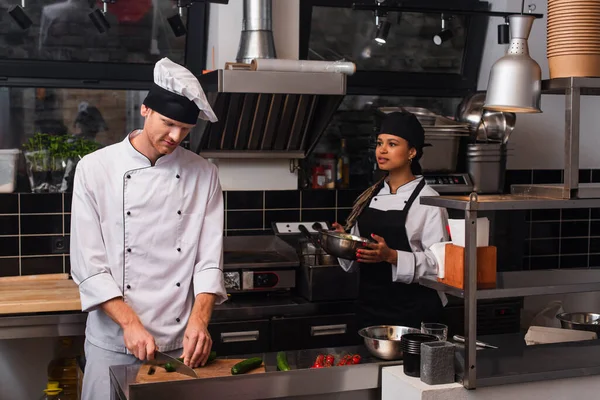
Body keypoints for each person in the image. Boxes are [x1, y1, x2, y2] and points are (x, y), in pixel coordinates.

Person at [70, 57, 227, 400]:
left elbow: (208, 259)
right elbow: (87, 264)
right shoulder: (95, 169)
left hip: (178, 344)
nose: (175, 137)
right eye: (168, 124)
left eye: (185, 130)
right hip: (113, 343)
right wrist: (129, 323)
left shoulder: (204, 174)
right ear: (145, 110)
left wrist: (200, 319)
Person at [332, 111, 449, 329]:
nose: (382, 150)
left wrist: (392, 256)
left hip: (414, 312)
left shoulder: (429, 200)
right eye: (379, 143)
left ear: (412, 152)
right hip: (370, 309)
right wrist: (344, 243)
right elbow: (360, 253)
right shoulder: (369, 196)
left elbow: (439, 266)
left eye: (392, 144)